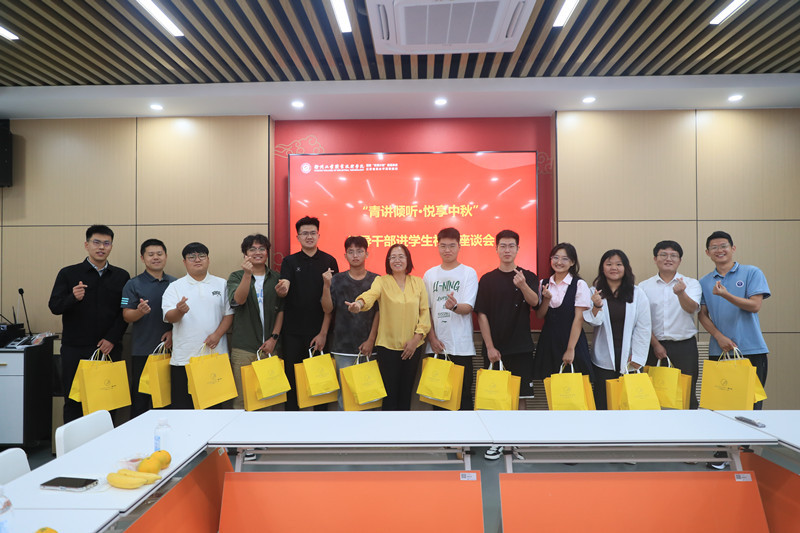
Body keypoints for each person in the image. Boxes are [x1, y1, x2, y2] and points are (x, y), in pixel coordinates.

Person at [49, 225, 130, 424]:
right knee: (74, 401)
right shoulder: (68, 273)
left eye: (106, 243)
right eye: (96, 242)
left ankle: (106, 442)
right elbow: (55, 306)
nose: (101, 247)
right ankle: (73, 444)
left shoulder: (121, 276)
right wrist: (73, 298)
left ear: (111, 246)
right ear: (87, 245)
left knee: (108, 402)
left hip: (108, 349)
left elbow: (124, 312)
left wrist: (112, 338)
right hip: (75, 349)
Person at [475, 230, 539, 460]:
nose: (507, 250)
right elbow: (481, 314)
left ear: (518, 249)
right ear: (496, 249)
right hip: (495, 349)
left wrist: (522, 285)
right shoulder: (487, 279)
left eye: (511, 246)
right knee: (494, 398)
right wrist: (490, 347)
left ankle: (516, 443)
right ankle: (496, 442)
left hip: (521, 347)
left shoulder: (527, 276)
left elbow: (535, 303)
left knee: (520, 399)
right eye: (503, 246)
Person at [346, 243, 430, 411]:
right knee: (389, 396)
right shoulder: (382, 281)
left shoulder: (418, 282)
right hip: (387, 348)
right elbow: (371, 295)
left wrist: (416, 339)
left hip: (413, 347)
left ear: (408, 260)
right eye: (393, 257)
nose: (397, 260)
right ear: (388, 261)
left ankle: (404, 428)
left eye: (401, 256)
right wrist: (359, 303)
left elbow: (424, 312)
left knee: (406, 395)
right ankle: (388, 428)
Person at [698, 230, 770, 410]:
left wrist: (726, 295)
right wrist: (718, 337)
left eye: (724, 246)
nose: (719, 250)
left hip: (751, 349)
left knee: (751, 406)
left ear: (733, 248)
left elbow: (755, 305)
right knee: (720, 406)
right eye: (714, 247)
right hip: (719, 351)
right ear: (707, 252)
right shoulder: (704, 282)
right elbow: (702, 315)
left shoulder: (751, 272)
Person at [275, 216, 339, 410]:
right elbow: (284, 285)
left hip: (320, 332)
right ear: (298, 237)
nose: (309, 237)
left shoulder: (329, 261)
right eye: (304, 233)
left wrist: (323, 333)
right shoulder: (289, 261)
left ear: (318, 235)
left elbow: (331, 303)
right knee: (293, 383)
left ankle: (320, 426)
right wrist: (282, 289)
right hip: (292, 333)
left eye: (312, 233)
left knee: (321, 385)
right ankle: (293, 425)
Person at [162, 242, 233, 409]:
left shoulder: (222, 284)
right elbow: (169, 317)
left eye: (202, 256)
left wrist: (217, 335)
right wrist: (179, 311)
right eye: (191, 257)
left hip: (214, 356)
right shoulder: (175, 287)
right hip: (184, 358)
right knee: (183, 409)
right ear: (184, 262)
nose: (197, 260)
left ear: (208, 259)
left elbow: (229, 314)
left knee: (214, 410)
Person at [583, 249, 651, 410]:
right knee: (603, 401)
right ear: (602, 268)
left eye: (619, 264)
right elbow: (593, 322)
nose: (614, 268)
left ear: (625, 267)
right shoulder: (594, 292)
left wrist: (638, 356)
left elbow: (644, 327)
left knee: (628, 403)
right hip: (603, 357)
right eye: (609, 264)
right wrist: (597, 305)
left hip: (630, 356)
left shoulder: (637, 293)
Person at [639, 240, 702, 409]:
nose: (668, 259)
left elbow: (692, 309)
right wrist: (656, 345)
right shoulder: (643, 286)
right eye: (663, 255)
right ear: (655, 259)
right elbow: (642, 321)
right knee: (653, 395)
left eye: (673, 255)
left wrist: (681, 293)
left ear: (680, 260)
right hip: (652, 347)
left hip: (684, 347)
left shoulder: (691, 283)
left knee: (686, 394)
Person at [423, 227, 478, 410]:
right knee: (437, 399)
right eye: (443, 246)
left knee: (463, 398)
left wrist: (454, 307)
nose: (447, 250)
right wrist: (432, 338)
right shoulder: (429, 274)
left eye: (452, 246)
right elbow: (426, 310)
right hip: (436, 347)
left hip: (461, 347)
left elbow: (468, 307)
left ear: (459, 246)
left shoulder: (469, 273)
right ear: (437, 246)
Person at [321, 236, 379, 410]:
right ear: (345, 255)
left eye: (359, 251)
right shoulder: (337, 279)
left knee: (369, 397)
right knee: (345, 399)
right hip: (342, 347)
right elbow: (327, 309)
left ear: (367, 254)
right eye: (351, 252)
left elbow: (379, 313)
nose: (355, 255)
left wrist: (371, 340)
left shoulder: (376, 280)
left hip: (369, 348)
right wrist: (326, 285)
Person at [227, 234, 284, 411]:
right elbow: (239, 300)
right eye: (252, 249)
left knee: (271, 398)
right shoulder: (236, 276)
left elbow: (281, 310)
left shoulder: (276, 278)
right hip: (244, 347)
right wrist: (247, 274)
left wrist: (274, 338)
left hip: (271, 346)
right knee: (242, 399)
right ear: (245, 254)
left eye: (261, 249)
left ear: (267, 252)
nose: (257, 252)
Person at [121, 239, 176, 417]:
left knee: (166, 402)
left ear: (166, 256)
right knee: (140, 402)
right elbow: (126, 315)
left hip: (170, 352)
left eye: (159, 254)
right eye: (150, 254)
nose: (155, 258)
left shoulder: (175, 283)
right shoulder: (133, 284)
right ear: (142, 258)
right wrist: (139, 312)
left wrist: (173, 332)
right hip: (143, 351)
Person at [533, 243, 593, 380]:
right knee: (551, 384)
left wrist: (570, 349)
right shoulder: (543, 283)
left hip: (572, 340)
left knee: (574, 385)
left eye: (565, 259)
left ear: (572, 262)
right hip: (549, 340)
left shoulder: (579, 284)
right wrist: (546, 299)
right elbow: (539, 315)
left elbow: (579, 319)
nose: (559, 262)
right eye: (555, 257)